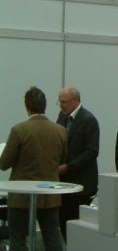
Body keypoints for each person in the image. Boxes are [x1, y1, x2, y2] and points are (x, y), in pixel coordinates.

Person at [0, 86, 67, 251]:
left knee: (18, 239)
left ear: (27, 106)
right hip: (49, 195)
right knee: (52, 238)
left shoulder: (19, 130)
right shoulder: (60, 131)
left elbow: (4, 163)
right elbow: (62, 159)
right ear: (45, 105)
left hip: (21, 197)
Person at [56, 86, 100, 240]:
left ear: (75, 100)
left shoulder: (89, 120)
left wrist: (68, 167)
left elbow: (91, 152)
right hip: (63, 183)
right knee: (63, 222)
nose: (61, 105)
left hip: (82, 184)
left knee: (78, 227)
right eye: (59, 102)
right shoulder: (62, 116)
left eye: (64, 102)